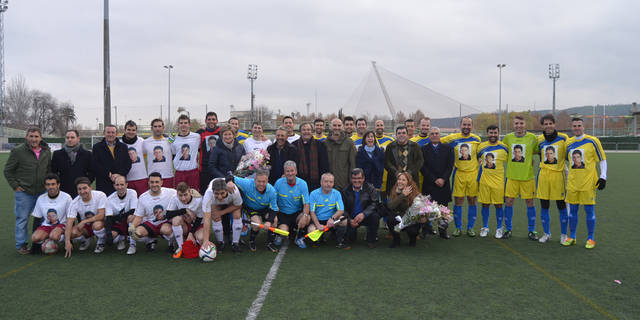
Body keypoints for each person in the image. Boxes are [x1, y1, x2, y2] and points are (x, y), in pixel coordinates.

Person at [4, 127, 52, 254]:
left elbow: (48, 170)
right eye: (31, 136)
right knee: (22, 219)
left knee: (44, 218)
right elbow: (8, 170)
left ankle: (42, 241)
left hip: (42, 191)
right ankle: (21, 244)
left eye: (36, 136)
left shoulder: (46, 151)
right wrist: (15, 185)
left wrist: (48, 186)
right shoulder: (18, 151)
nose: (33, 139)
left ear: (40, 138)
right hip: (24, 192)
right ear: (26, 137)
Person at [563, 118, 607, 249]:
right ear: (571, 128)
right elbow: (566, 160)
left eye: (579, 125)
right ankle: (572, 237)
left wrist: (603, 177)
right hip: (572, 184)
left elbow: (603, 160)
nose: (577, 128)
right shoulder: (569, 143)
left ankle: (590, 238)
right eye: (574, 126)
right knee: (572, 212)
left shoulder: (593, 141)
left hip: (588, 183)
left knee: (589, 211)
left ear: (583, 127)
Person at [441, 117, 481, 237]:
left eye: (469, 125)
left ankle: (470, 228)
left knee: (472, 200)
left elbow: (480, 153)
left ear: (472, 126)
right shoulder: (453, 138)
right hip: (459, 173)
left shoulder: (476, 139)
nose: (466, 127)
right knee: (458, 201)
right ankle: (458, 228)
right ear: (460, 125)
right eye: (464, 124)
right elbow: (437, 140)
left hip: (473, 174)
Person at [502, 115, 539, 240]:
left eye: (521, 123)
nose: (519, 126)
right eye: (516, 123)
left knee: (530, 202)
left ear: (525, 124)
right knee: (509, 202)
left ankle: (532, 231)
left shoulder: (533, 138)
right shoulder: (508, 138)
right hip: (512, 177)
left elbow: (535, 152)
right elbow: (504, 152)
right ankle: (508, 229)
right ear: (514, 125)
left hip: (527, 177)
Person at [536, 114, 569, 244]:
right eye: (545, 124)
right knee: (544, 205)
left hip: (558, 176)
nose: (548, 126)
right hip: (544, 176)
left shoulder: (563, 138)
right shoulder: (539, 140)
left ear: (554, 124)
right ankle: (546, 233)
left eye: (550, 123)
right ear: (542, 126)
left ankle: (563, 234)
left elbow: (570, 153)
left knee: (561, 206)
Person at [227, 171, 279, 252]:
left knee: (274, 221)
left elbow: (274, 209)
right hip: (250, 207)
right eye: (259, 181)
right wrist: (229, 182)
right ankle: (251, 241)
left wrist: (269, 222)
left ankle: (270, 243)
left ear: (267, 181)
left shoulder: (272, 191)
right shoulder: (247, 183)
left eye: (263, 182)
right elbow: (230, 176)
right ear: (254, 180)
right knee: (257, 224)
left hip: (264, 208)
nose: (261, 184)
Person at [128, 172, 177, 255]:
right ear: (148, 183)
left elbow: (183, 192)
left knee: (167, 229)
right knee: (136, 234)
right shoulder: (143, 197)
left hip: (164, 223)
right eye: (152, 182)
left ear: (161, 182)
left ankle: (171, 243)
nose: (154, 184)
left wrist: (192, 192)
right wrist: (132, 227)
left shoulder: (171, 193)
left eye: (157, 182)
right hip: (150, 224)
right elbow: (139, 217)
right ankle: (149, 241)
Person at [420, 127, 454, 239]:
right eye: (432, 134)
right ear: (429, 136)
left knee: (443, 210)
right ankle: (425, 230)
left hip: (443, 184)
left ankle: (443, 231)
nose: (434, 135)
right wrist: (434, 179)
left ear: (440, 135)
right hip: (429, 184)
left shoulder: (448, 148)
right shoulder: (423, 149)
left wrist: (443, 179)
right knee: (426, 210)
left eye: (436, 133)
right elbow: (423, 167)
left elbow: (450, 166)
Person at [476, 125, 509, 238]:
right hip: (484, 181)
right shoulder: (481, 147)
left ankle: (499, 228)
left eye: (495, 132)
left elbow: (512, 161)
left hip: (498, 181)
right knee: (485, 204)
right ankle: (485, 227)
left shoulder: (504, 147)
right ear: (487, 133)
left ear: (498, 133)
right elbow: (477, 157)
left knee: (498, 205)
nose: (493, 135)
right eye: (491, 133)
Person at [64, 177, 108, 257]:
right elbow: (69, 223)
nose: (82, 191)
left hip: (100, 223)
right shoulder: (74, 202)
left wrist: (84, 221)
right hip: (87, 227)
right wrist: (67, 242)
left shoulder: (100, 195)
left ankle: (101, 241)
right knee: (72, 232)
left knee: (97, 225)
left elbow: (101, 215)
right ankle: (87, 239)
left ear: (90, 188)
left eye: (85, 188)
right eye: (79, 189)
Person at [273, 161, 311, 249]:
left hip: (296, 213)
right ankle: (279, 235)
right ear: (284, 172)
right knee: (283, 232)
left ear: (296, 171)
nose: (290, 173)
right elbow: (273, 199)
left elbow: (306, 203)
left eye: (292, 171)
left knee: (307, 218)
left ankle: (299, 237)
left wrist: (305, 215)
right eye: (287, 171)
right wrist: (275, 208)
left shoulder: (303, 184)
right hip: (283, 213)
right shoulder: (278, 183)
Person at [30, 174, 72, 250]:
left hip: (62, 225)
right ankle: (48, 240)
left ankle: (58, 238)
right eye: (48, 184)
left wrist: (69, 240)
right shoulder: (41, 198)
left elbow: (71, 217)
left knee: (54, 236)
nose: (50, 187)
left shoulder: (67, 197)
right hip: (47, 225)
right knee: (35, 238)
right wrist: (34, 245)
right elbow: (37, 218)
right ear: (45, 186)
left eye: (53, 184)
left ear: (58, 185)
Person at [201, 178, 243, 253]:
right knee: (215, 216)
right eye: (216, 193)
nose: (220, 197)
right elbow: (206, 219)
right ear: (213, 191)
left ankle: (235, 243)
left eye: (222, 193)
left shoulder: (234, 191)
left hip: (231, 202)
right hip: (216, 204)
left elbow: (238, 205)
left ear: (227, 190)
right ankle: (220, 242)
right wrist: (206, 240)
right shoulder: (208, 195)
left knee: (237, 215)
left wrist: (221, 212)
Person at [341, 168, 379, 248]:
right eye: (354, 178)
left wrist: (364, 214)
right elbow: (342, 208)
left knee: (375, 216)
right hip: (352, 218)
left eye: (359, 178)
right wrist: (349, 219)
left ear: (363, 178)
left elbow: (375, 203)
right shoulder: (345, 190)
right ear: (351, 179)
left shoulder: (370, 188)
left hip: (365, 216)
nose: (356, 181)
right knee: (351, 239)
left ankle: (371, 240)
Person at [308, 173, 349, 249]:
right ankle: (319, 239)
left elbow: (341, 210)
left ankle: (339, 241)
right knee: (311, 230)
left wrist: (332, 218)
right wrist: (317, 225)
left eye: (331, 182)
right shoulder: (313, 194)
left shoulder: (337, 193)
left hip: (331, 221)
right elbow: (312, 212)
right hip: (318, 221)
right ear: (321, 182)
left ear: (333, 183)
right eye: (326, 181)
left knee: (344, 220)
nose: (328, 184)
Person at [51, 129, 93, 198]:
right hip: (63, 190)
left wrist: (85, 184)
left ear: (78, 139)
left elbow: (92, 172)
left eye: (72, 137)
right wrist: (58, 184)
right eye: (67, 137)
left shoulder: (87, 154)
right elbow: (54, 172)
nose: (69, 139)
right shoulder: (57, 154)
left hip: (81, 190)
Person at [92, 124, 131, 196]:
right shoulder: (97, 147)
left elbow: (128, 163)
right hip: (104, 183)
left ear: (116, 134)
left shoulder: (123, 147)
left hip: (120, 184)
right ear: (104, 133)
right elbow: (95, 165)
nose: (110, 134)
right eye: (108, 132)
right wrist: (108, 174)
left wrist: (119, 174)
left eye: (113, 132)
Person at [167, 182, 203, 258]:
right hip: (185, 225)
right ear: (177, 193)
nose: (183, 198)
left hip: (197, 225)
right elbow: (168, 215)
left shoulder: (198, 200)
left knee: (201, 238)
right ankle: (180, 247)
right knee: (176, 220)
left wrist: (191, 233)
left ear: (190, 192)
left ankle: (192, 240)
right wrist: (185, 210)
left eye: (185, 195)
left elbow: (199, 219)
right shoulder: (174, 198)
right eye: (180, 195)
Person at [384, 125, 423, 193]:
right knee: (394, 202)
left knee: (411, 202)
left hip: (411, 181)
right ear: (396, 135)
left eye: (403, 133)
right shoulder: (390, 147)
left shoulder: (415, 146)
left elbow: (420, 161)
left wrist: (409, 173)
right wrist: (396, 173)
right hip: (394, 181)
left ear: (407, 134)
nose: (401, 135)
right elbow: (386, 162)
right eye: (399, 133)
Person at [386, 172, 421, 247]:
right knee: (390, 220)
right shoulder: (395, 189)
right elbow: (390, 206)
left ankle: (412, 239)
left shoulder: (415, 192)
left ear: (408, 182)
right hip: (398, 216)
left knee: (413, 229)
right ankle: (396, 239)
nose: (400, 182)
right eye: (399, 179)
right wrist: (402, 195)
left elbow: (418, 210)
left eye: (403, 180)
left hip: (410, 218)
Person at [105, 176, 138, 253]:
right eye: (117, 185)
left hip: (127, 221)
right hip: (118, 222)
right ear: (114, 186)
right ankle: (122, 238)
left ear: (126, 184)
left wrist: (120, 217)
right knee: (113, 238)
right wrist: (108, 233)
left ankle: (132, 244)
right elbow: (109, 218)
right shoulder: (109, 199)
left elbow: (133, 211)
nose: (120, 187)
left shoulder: (132, 193)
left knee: (131, 217)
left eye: (122, 184)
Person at [294, 122, 329, 190]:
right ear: (300, 132)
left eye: (308, 130)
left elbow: (324, 165)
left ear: (312, 131)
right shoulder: (294, 146)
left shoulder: (320, 145)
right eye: (304, 130)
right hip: (299, 182)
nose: (306, 132)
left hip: (316, 182)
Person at [325, 118, 357, 191]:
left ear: (342, 127)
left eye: (339, 125)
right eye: (334, 125)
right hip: (328, 184)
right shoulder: (325, 143)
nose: (337, 128)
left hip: (344, 183)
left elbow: (353, 164)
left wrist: (352, 180)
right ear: (330, 127)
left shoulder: (349, 143)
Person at [172, 114, 201, 190]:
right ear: (178, 124)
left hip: (192, 172)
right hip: (179, 172)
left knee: (194, 194)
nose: (183, 125)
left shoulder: (197, 136)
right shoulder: (173, 138)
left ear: (189, 125)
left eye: (185, 123)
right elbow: (173, 152)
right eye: (181, 123)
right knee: (179, 194)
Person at [144, 119, 174, 187]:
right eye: (155, 126)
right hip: (153, 178)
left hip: (167, 176)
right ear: (152, 128)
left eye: (159, 126)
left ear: (163, 128)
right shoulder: (146, 142)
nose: (157, 128)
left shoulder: (169, 141)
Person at [121, 120, 149, 195]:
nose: (131, 132)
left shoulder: (141, 141)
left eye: (133, 130)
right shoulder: (120, 143)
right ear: (124, 130)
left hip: (142, 178)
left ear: (136, 131)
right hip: (127, 179)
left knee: (142, 201)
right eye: (129, 130)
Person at [196, 111, 221, 193]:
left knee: (218, 191)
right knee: (204, 192)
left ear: (217, 121)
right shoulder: (200, 133)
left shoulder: (221, 132)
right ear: (205, 121)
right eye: (209, 119)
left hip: (219, 167)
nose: (211, 121)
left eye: (213, 119)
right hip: (204, 168)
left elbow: (234, 134)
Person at [374, 119, 395, 193]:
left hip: (388, 173)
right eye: (377, 125)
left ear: (384, 127)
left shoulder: (390, 139)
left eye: (381, 125)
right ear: (374, 127)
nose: (379, 127)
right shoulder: (370, 139)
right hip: (375, 174)